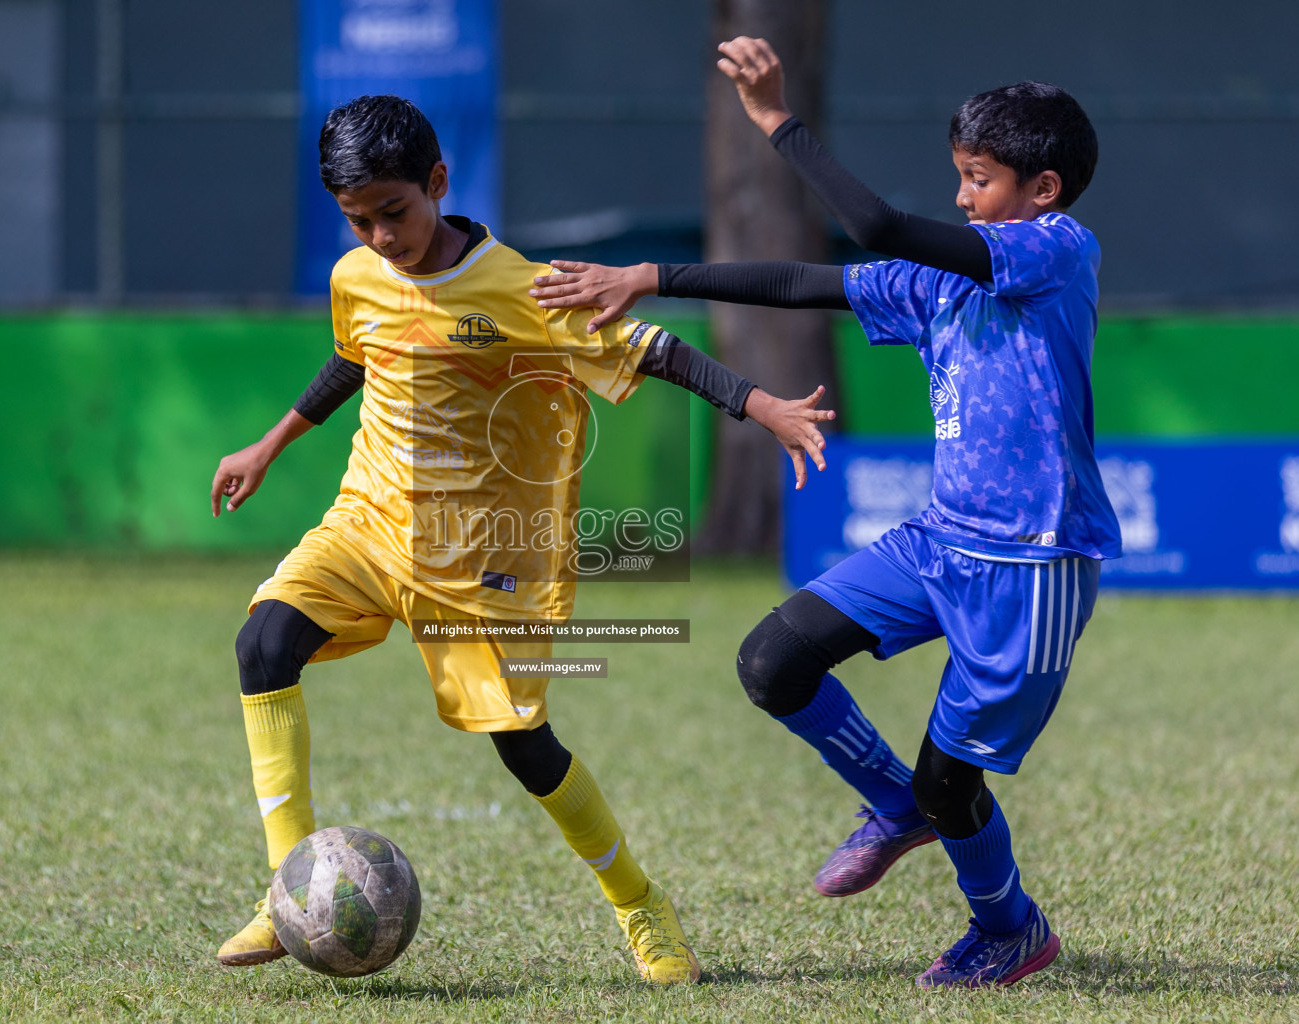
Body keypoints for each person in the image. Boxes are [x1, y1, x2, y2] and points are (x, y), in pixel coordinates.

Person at [529, 37, 1121, 989]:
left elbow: (879, 226)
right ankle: (897, 808)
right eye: (958, 177)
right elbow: (801, 280)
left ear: (1043, 188)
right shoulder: (943, 286)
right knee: (773, 660)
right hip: (940, 541)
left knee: (952, 779)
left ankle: (1011, 928)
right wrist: (648, 277)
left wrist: (775, 122)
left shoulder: (1057, 251)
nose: (963, 196)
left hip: (1032, 564)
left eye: (979, 179)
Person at [209, 93, 836, 984]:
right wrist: (271, 443)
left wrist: (762, 404)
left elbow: (651, 349)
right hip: (367, 522)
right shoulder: (359, 276)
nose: (381, 238)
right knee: (263, 642)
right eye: (358, 222)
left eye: (395, 213)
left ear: (438, 183)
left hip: (480, 558)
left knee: (525, 748)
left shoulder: (520, 289)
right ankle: (287, 890)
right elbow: (359, 355)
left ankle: (639, 904)